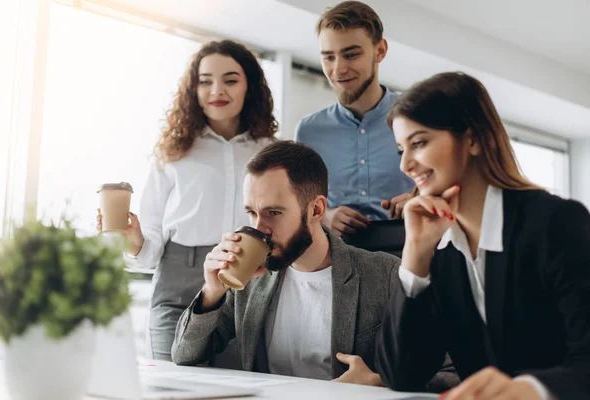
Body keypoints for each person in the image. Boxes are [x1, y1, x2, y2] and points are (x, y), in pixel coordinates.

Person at [375, 72, 590, 399]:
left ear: (473, 139)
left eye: (418, 143)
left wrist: (529, 390)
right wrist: (415, 256)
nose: (405, 164)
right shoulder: (441, 251)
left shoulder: (556, 223)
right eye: (400, 150)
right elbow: (402, 376)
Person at [97, 40, 277, 361]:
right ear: (193, 89)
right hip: (178, 280)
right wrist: (135, 242)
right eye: (205, 80)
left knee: (232, 391)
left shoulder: (269, 151)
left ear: (250, 86)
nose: (216, 90)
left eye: (230, 79)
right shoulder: (174, 150)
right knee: (174, 385)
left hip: (245, 282)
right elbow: (151, 245)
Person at [171, 140, 402, 386]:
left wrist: (379, 383)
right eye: (251, 212)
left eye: (274, 213)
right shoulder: (248, 276)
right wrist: (211, 292)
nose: (259, 229)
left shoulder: (385, 274)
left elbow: (445, 374)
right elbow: (185, 355)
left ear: (316, 210)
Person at [295, 1, 413, 241]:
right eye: (328, 57)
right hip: (335, 258)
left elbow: (453, 186)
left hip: (409, 252)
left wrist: (419, 199)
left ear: (380, 51)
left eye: (351, 55)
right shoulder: (308, 132)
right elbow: (297, 205)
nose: (338, 69)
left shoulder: (417, 116)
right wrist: (325, 216)